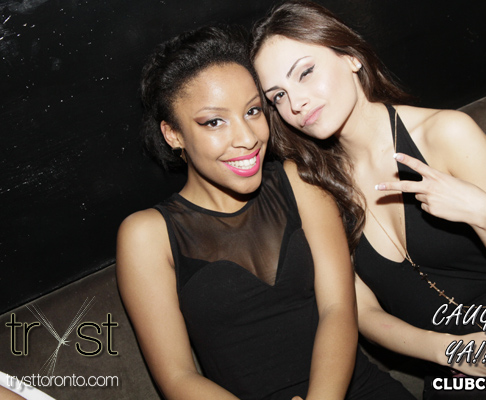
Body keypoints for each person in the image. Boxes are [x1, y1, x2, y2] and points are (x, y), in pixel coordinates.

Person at [250, 0, 486, 391]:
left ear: (350, 57)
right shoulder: (315, 187)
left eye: (306, 72)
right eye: (278, 96)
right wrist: (448, 350)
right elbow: (361, 311)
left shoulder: (446, 134)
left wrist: (485, 214)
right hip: (454, 364)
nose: (295, 103)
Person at [116, 25, 414, 400]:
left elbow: (338, 308)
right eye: (214, 121)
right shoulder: (147, 235)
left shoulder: (299, 181)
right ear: (173, 134)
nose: (248, 137)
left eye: (253, 110)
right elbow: (177, 378)